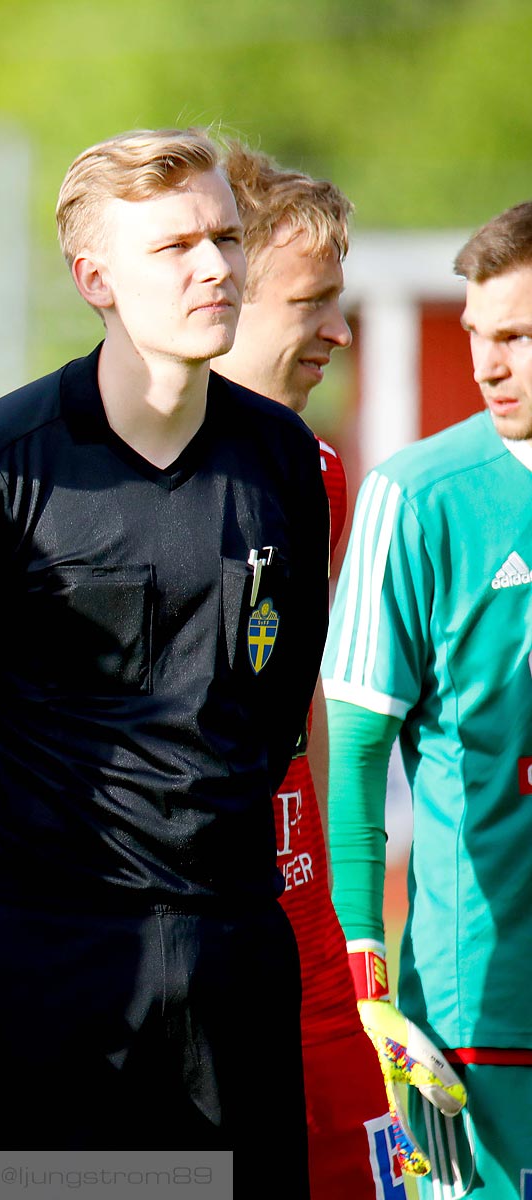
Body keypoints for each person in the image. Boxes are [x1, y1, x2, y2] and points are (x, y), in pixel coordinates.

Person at [0, 129, 326, 1190]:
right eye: (175, 246)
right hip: (31, 964)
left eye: (225, 237)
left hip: (229, 958)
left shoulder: (283, 458)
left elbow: (276, 702)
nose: (215, 265)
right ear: (95, 279)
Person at [322, 200, 532, 1199]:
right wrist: (361, 962)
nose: (490, 364)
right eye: (479, 336)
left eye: (520, 337)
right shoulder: (418, 497)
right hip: (471, 1015)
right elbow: (355, 755)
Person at [212, 141, 394, 1198]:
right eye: (312, 303)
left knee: (357, 1171)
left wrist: (324, 893)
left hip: (301, 922)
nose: (338, 332)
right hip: (171, 932)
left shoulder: (318, 471)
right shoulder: (72, 473)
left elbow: (304, 698)